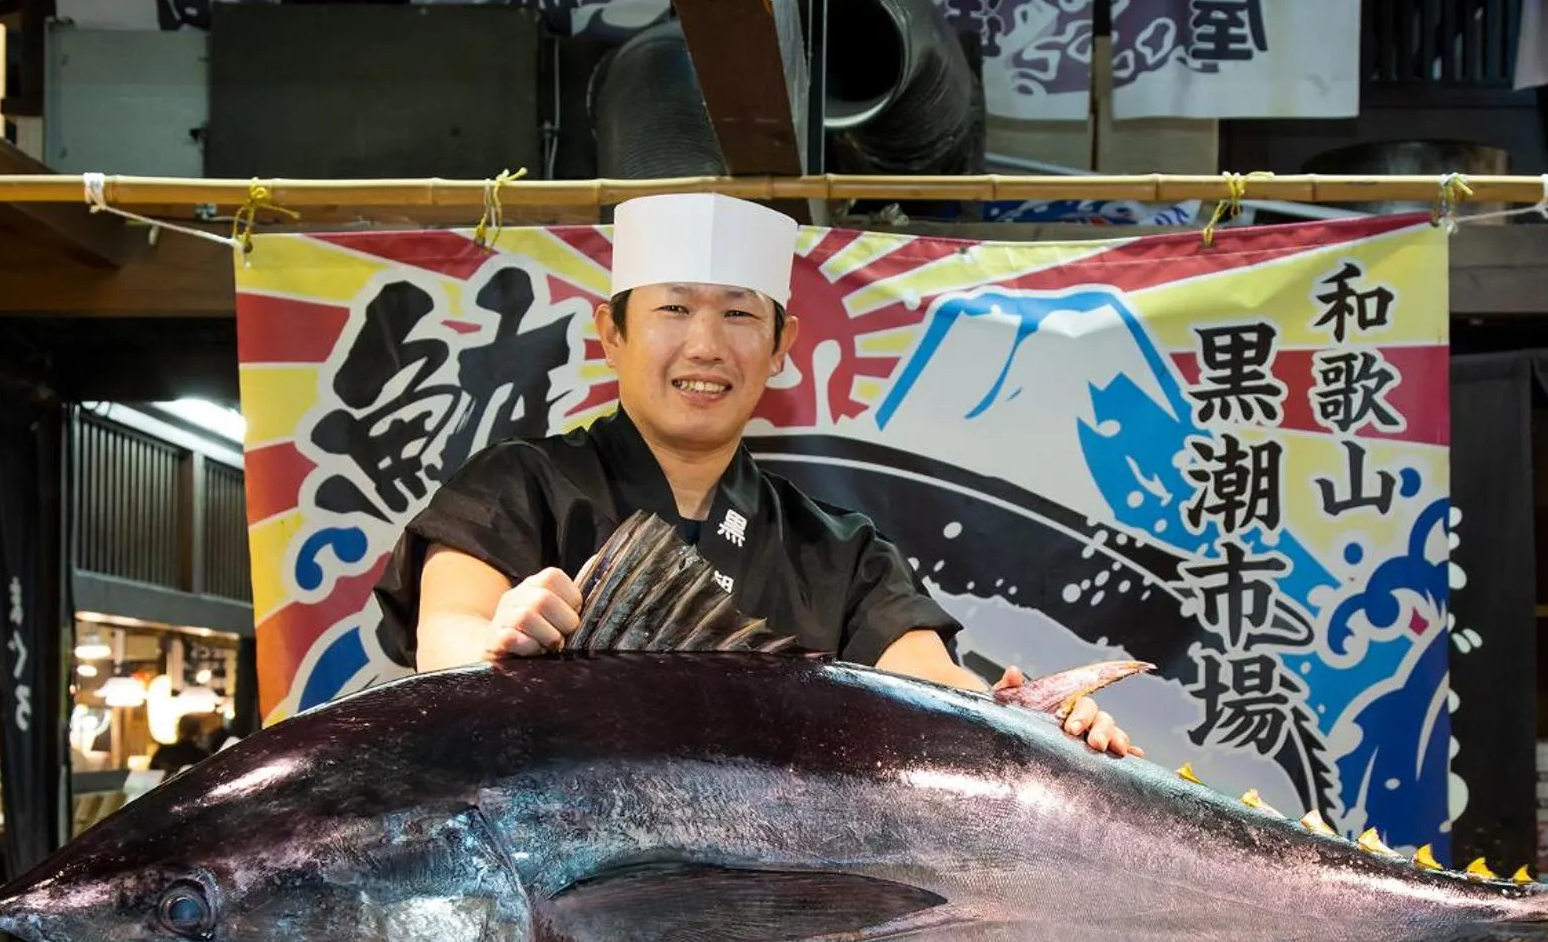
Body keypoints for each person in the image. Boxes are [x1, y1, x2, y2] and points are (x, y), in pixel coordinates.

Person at [372, 192, 1134, 757]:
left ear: (779, 346)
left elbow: (931, 688)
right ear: (611, 333)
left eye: (738, 316)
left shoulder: (837, 550)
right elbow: (447, 634)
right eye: (673, 309)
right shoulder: (517, 483)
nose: (705, 346)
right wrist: (501, 639)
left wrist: (1034, 723)